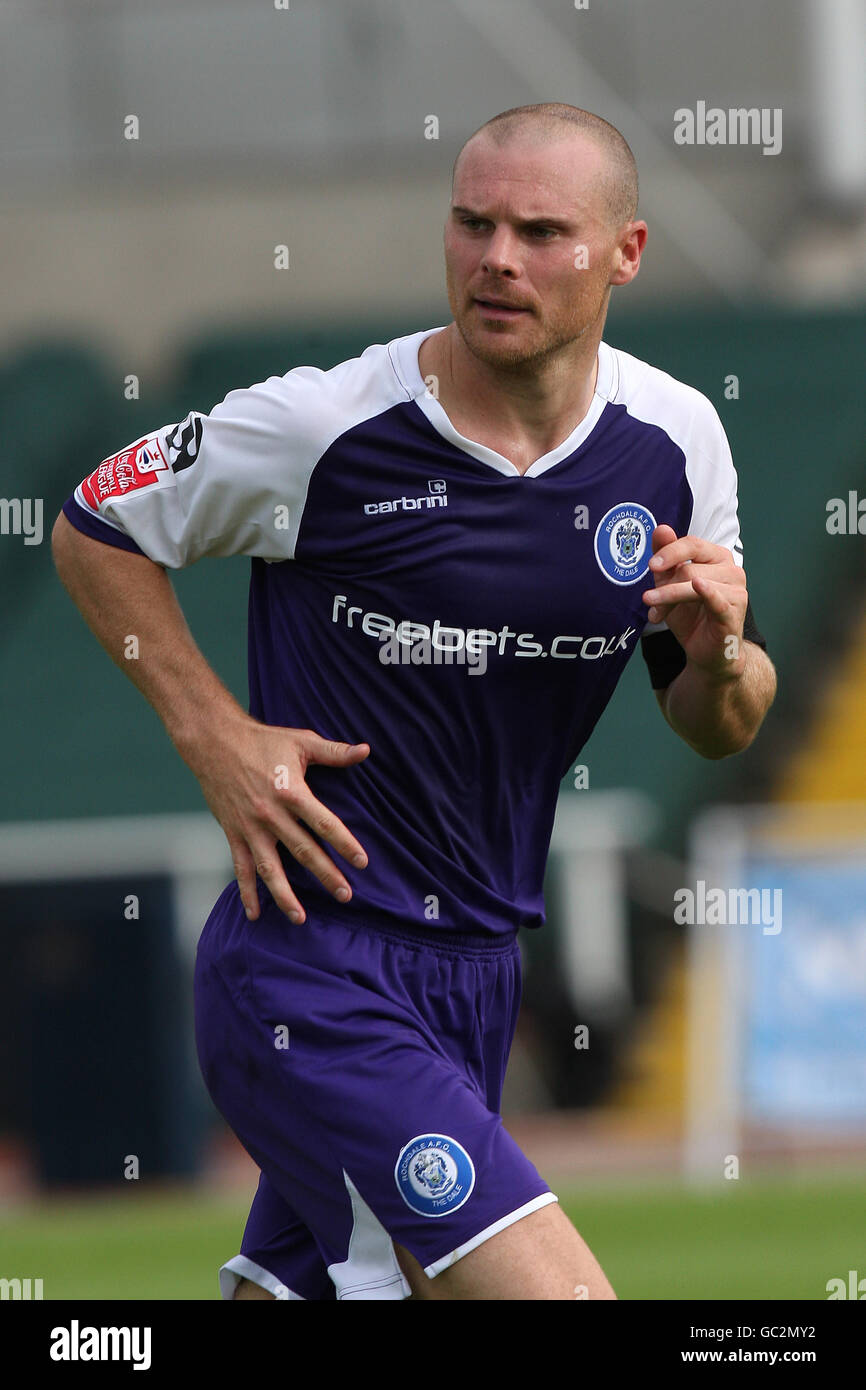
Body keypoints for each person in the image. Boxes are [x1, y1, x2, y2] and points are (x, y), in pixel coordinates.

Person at [51, 102, 776, 1300]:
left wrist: (721, 656)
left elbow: (715, 721)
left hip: (475, 976)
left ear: (625, 252)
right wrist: (215, 735)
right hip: (307, 965)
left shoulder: (674, 443)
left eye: (540, 231)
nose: (496, 257)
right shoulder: (323, 426)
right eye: (470, 221)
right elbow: (94, 524)